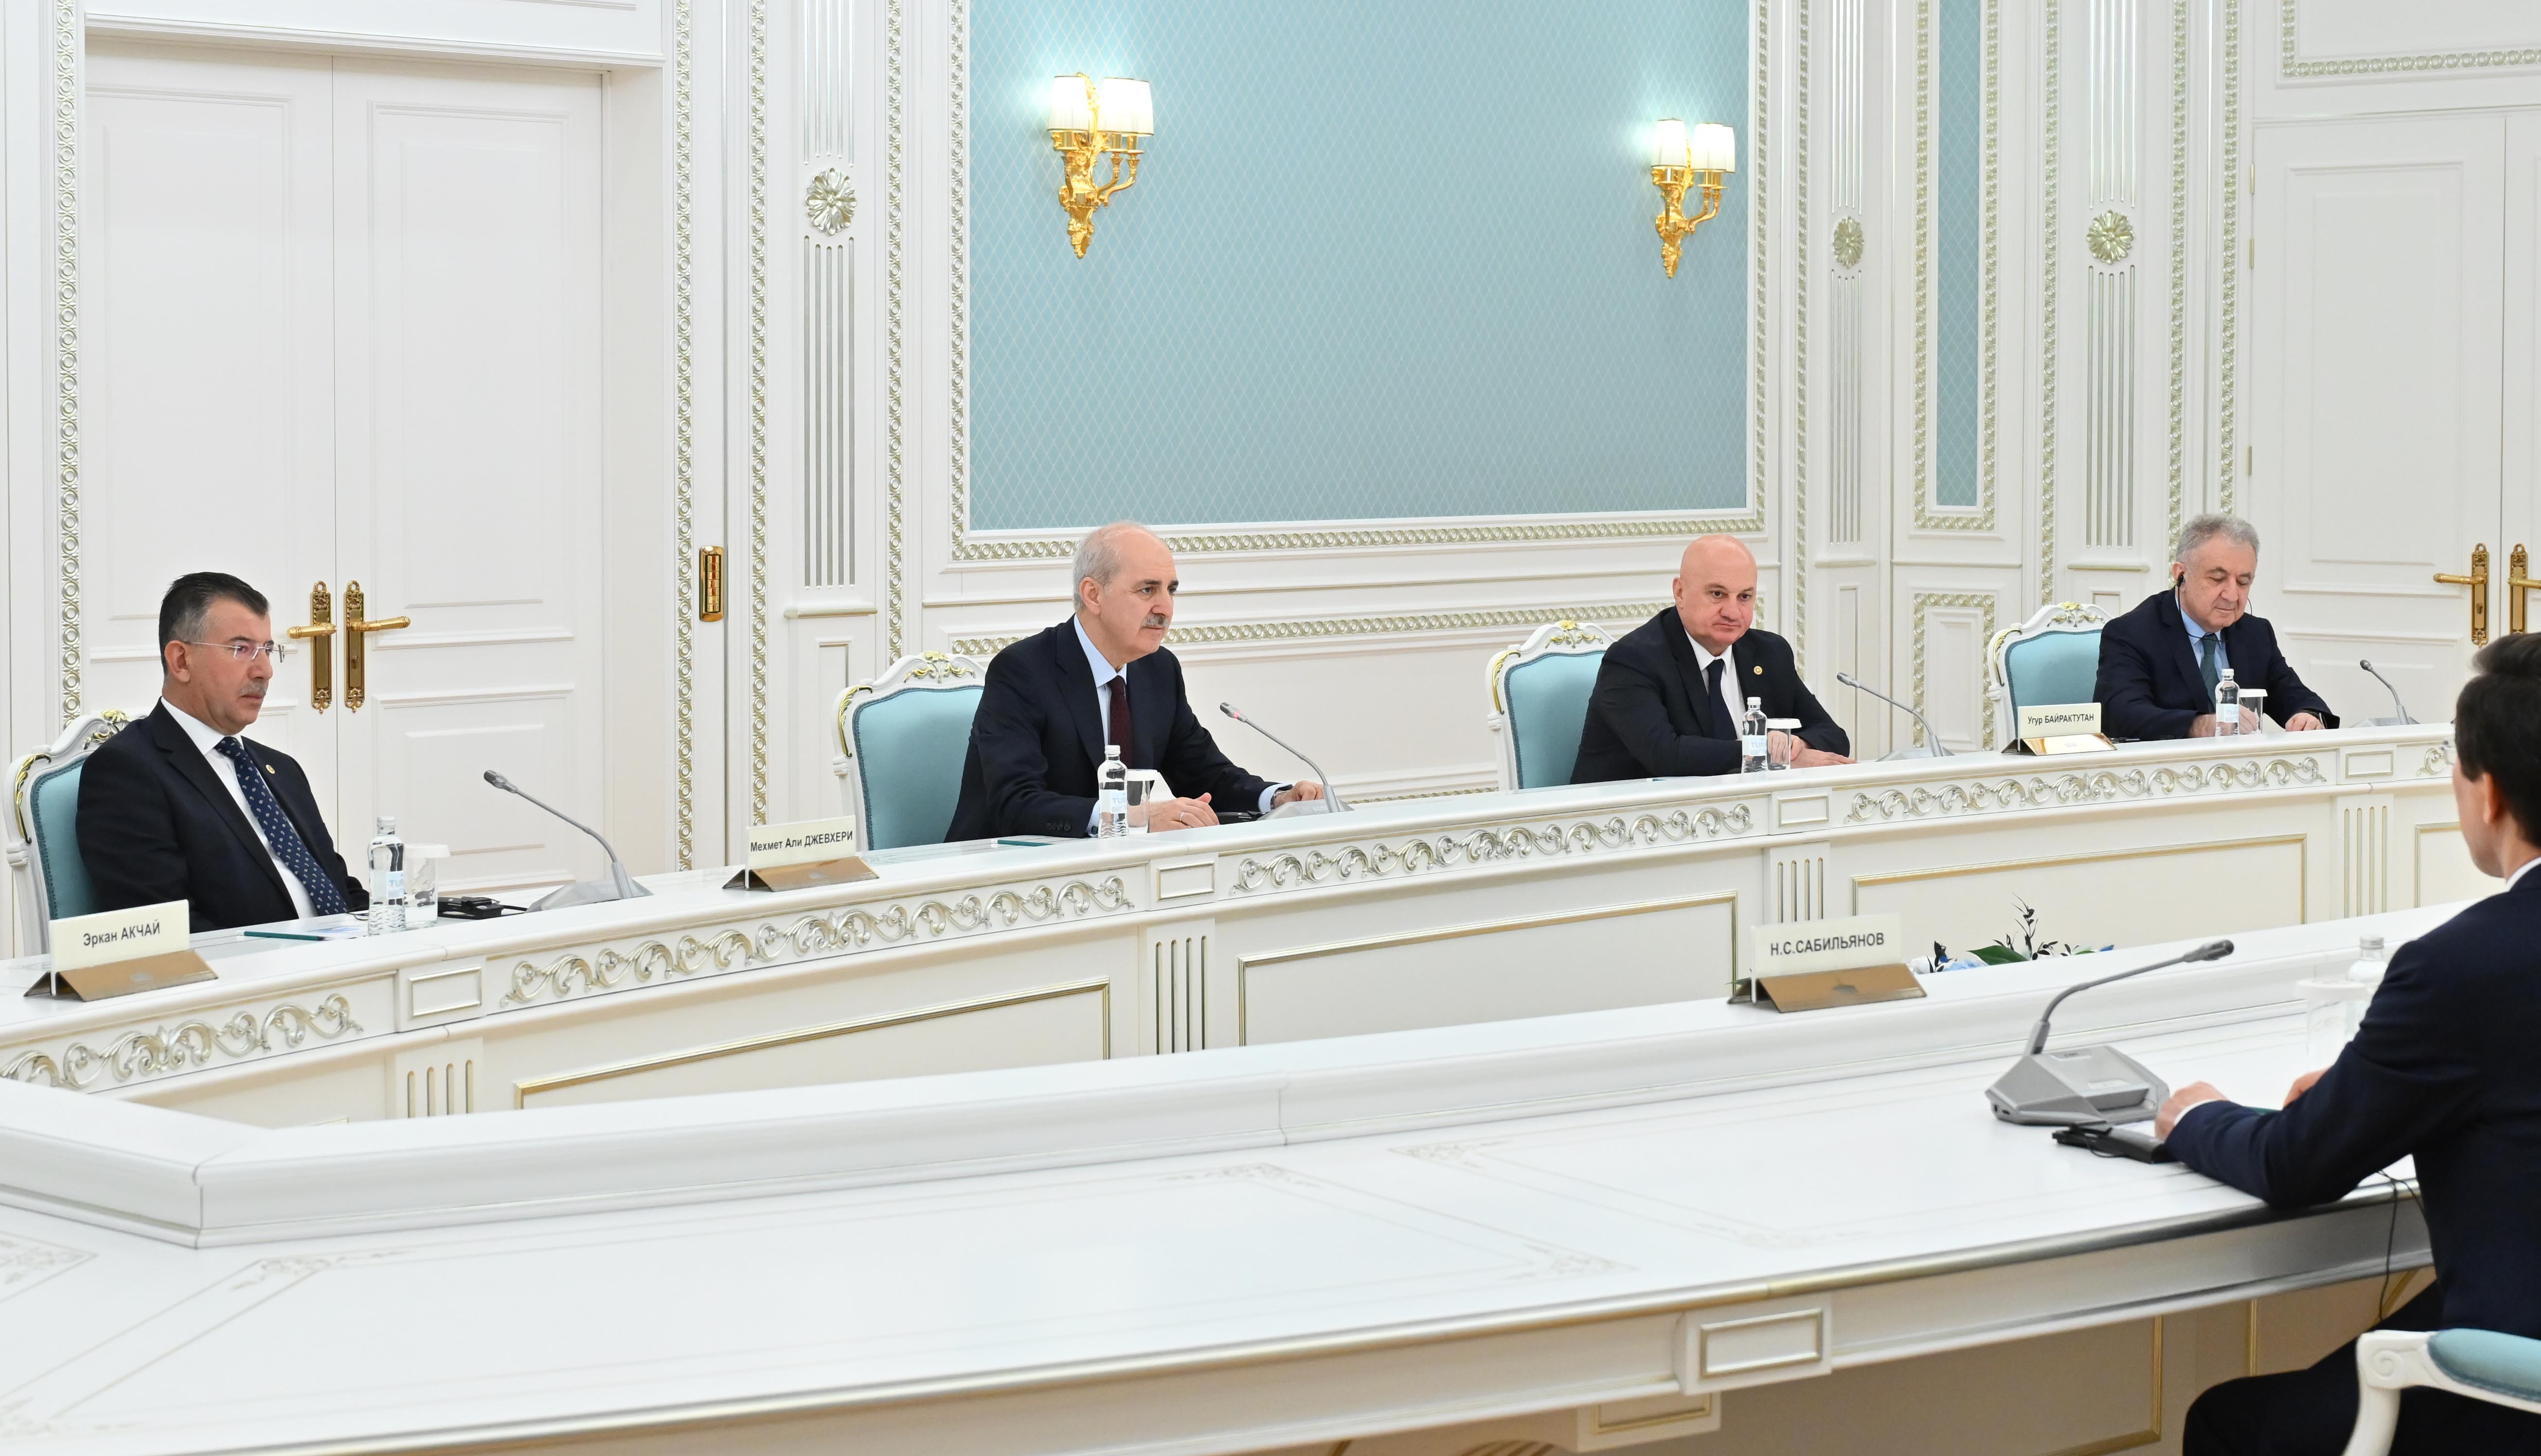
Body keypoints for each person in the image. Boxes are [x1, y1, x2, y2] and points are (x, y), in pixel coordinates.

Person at [2155, 632, 2541, 1455]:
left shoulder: (2459, 967)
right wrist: (2374, 1083)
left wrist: (2194, 1117)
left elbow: (2296, 1164)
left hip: (2512, 1391)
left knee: (2230, 1426)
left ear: (2489, 793)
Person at [946, 522, 1324, 840]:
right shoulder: (1023, 670)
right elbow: (1016, 804)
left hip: (1117, 870)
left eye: (1170, 590)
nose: (1165, 608)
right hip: (1003, 873)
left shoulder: (1158, 669)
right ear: (1093, 595)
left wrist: (1278, 798)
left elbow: (1204, 774)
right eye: (1147, 590)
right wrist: (1132, 818)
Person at [78, 573, 368, 934]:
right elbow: (164, 928)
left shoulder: (282, 769)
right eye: (241, 649)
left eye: (267, 649)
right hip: (252, 966)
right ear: (181, 661)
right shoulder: (127, 773)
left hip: (348, 956)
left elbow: (339, 887)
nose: (265, 671)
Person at [1569, 535, 1852, 782]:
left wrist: (1796, 746)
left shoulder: (1770, 652)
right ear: (1680, 592)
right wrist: (1769, 755)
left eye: (1745, 597)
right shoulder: (1633, 659)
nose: (1733, 612)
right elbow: (1666, 755)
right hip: (1629, 818)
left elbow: (1833, 735)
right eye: (1718, 594)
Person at [2095, 513, 2335, 740]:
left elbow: (2296, 696)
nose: (2232, 595)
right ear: (2181, 575)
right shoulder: (2132, 633)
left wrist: (2308, 716)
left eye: (2243, 582)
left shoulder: (2256, 634)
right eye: (2218, 579)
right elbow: (2119, 715)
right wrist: (2201, 725)